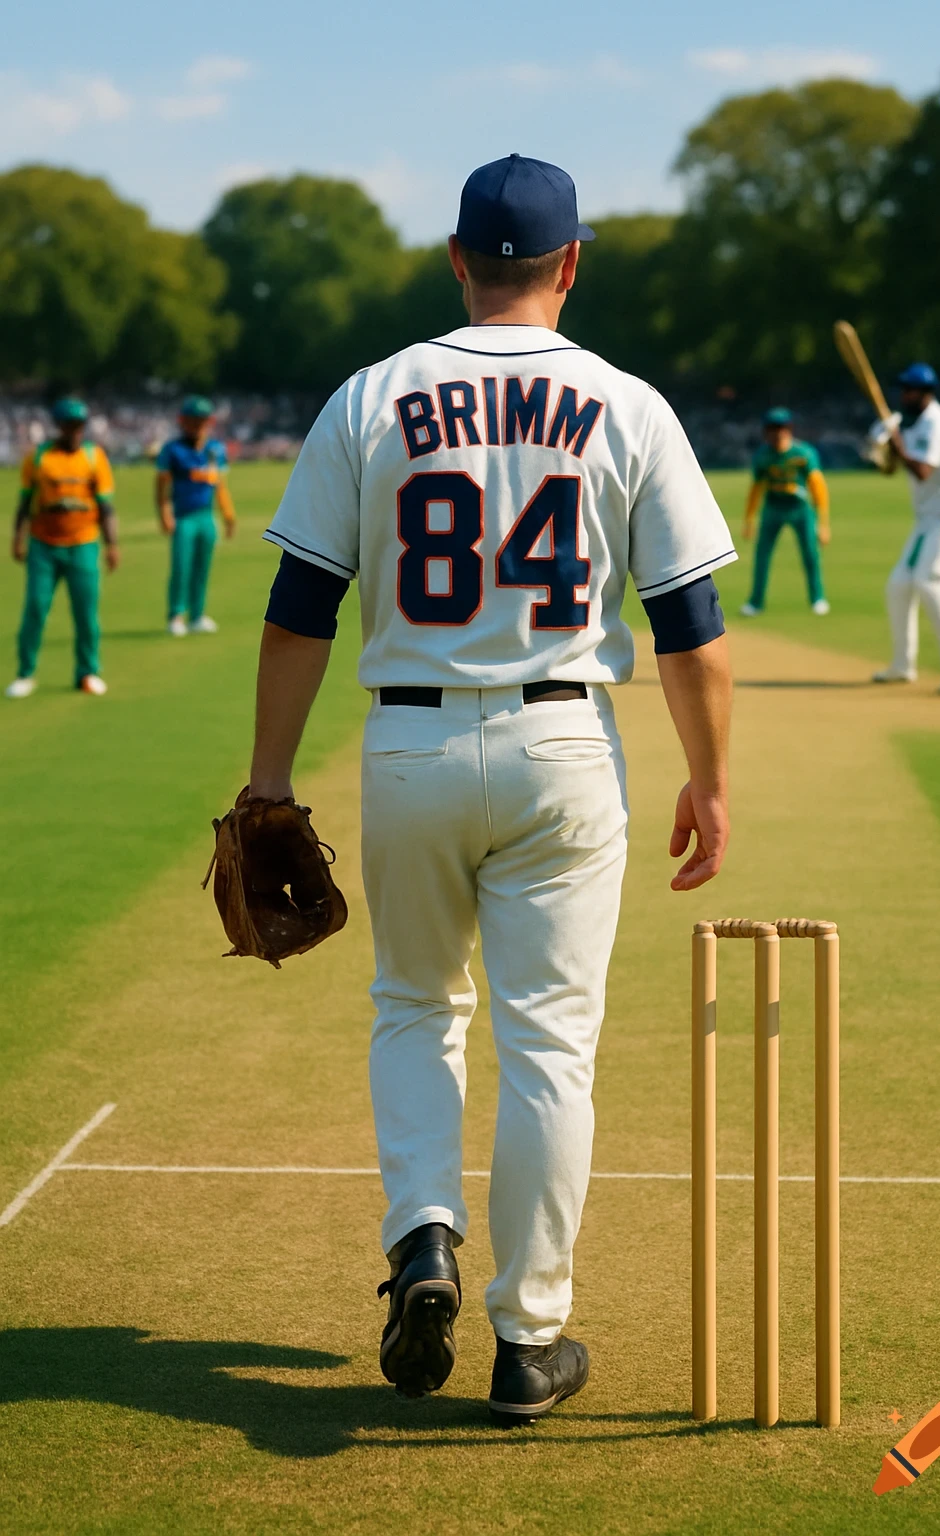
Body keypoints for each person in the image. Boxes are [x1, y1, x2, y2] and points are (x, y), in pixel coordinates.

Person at [248, 154, 736, 1423]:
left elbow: (302, 608)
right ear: (571, 264)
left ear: (456, 258)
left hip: (407, 744)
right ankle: (530, 1339)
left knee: (415, 1005)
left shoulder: (372, 394)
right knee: (548, 1049)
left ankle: (420, 1236)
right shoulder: (626, 402)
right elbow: (689, 626)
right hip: (565, 749)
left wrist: (265, 780)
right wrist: (711, 781)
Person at [870, 364, 940, 693]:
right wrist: (886, 447)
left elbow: (922, 471)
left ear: (926, 393)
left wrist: (897, 443)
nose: (905, 395)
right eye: (903, 389)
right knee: (898, 586)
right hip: (927, 519)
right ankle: (903, 665)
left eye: (911, 390)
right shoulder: (905, 422)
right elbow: (890, 468)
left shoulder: (938, 423)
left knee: (930, 584)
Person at [6, 397, 118, 699]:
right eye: (69, 425)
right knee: (36, 608)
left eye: (79, 425)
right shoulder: (39, 457)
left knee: (86, 613)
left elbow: (105, 506)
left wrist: (112, 545)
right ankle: (25, 673)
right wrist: (17, 538)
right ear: (58, 426)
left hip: (83, 543)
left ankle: (88, 672)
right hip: (43, 545)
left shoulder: (94, 457)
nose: (74, 431)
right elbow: (25, 502)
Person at [155, 395, 236, 636]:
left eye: (202, 421)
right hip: (184, 517)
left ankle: (197, 615)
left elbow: (219, 485)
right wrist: (164, 513)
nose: (197, 425)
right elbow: (161, 487)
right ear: (183, 421)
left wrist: (228, 515)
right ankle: (176, 615)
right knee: (181, 567)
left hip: (206, 516)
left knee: (203, 567)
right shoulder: (172, 450)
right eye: (192, 420)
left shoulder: (215, 449)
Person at [739, 407, 831, 617]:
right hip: (773, 508)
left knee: (810, 554)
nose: (777, 433)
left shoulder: (803, 453)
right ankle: (756, 602)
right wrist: (749, 520)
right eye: (772, 428)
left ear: (789, 429)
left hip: (800, 509)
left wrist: (823, 523)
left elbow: (818, 486)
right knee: (762, 555)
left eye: (781, 428)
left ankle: (817, 598)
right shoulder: (763, 456)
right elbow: (756, 489)